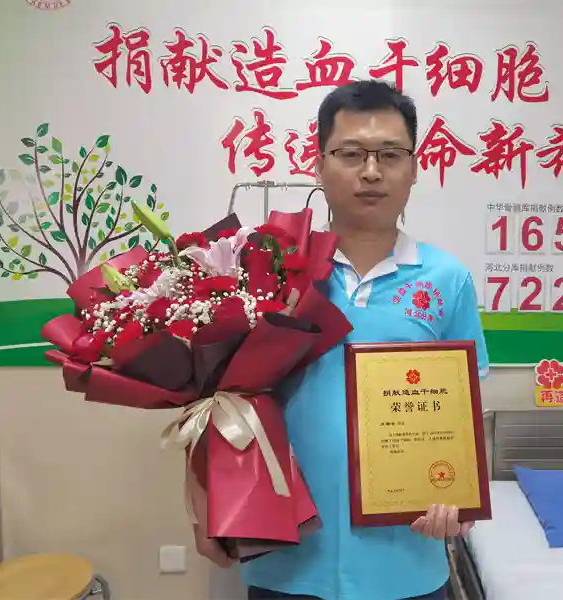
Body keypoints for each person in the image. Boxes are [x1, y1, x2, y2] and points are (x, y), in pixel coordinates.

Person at [189, 79, 490, 600]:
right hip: (284, 560)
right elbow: (213, 403)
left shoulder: (447, 279)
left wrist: (460, 497)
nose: (371, 171)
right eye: (351, 154)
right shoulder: (268, 270)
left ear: (415, 168)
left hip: (405, 568)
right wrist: (202, 505)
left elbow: (464, 410)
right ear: (319, 164)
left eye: (390, 154)